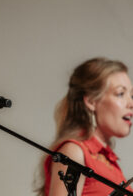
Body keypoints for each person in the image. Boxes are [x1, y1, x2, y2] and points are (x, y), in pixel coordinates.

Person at [36, 57, 133, 196]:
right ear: (91, 101)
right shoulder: (74, 152)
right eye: (120, 94)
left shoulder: (108, 160)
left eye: (132, 95)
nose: (131, 103)